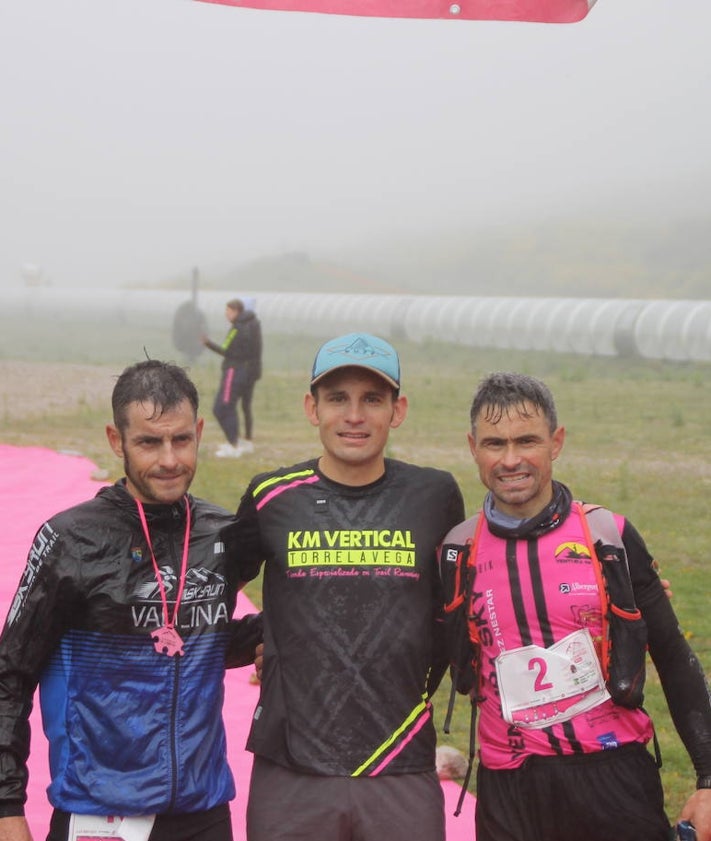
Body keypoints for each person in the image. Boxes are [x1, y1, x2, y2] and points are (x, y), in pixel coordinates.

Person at [440, 371, 711, 841]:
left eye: (527, 441)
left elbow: (672, 654)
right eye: (494, 443)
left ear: (556, 442)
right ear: (472, 446)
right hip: (509, 787)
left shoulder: (609, 536)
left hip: (612, 775)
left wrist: (709, 777)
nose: (511, 460)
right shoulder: (456, 550)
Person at [0, 359, 262, 841]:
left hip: (204, 814)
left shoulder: (220, 532)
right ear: (116, 440)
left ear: (200, 432)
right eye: (148, 442)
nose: (169, 459)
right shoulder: (70, 540)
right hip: (100, 813)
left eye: (181, 439)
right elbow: (10, 674)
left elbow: (199, 638)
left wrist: (274, 636)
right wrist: (5, 808)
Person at [222, 332, 466, 841]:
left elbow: (453, 613)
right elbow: (210, 597)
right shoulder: (271, 497)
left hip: (399, 760)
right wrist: (268, 643)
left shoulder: (435, 494)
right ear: (312, 408)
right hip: (292, 768)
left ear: (397, 411)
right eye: (338, 398)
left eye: (371, 399)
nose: (354, 415)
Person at [202, 298, 262, 459]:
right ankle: (241, 442)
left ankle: (233, 445)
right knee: (241, 406)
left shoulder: (237, 328)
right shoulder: (254, 325)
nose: (226, 314)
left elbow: (225, 349)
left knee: (223, 407)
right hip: (249, 373)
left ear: (236, 311)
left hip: (233, 372)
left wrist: (207, 343)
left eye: (228, 311)